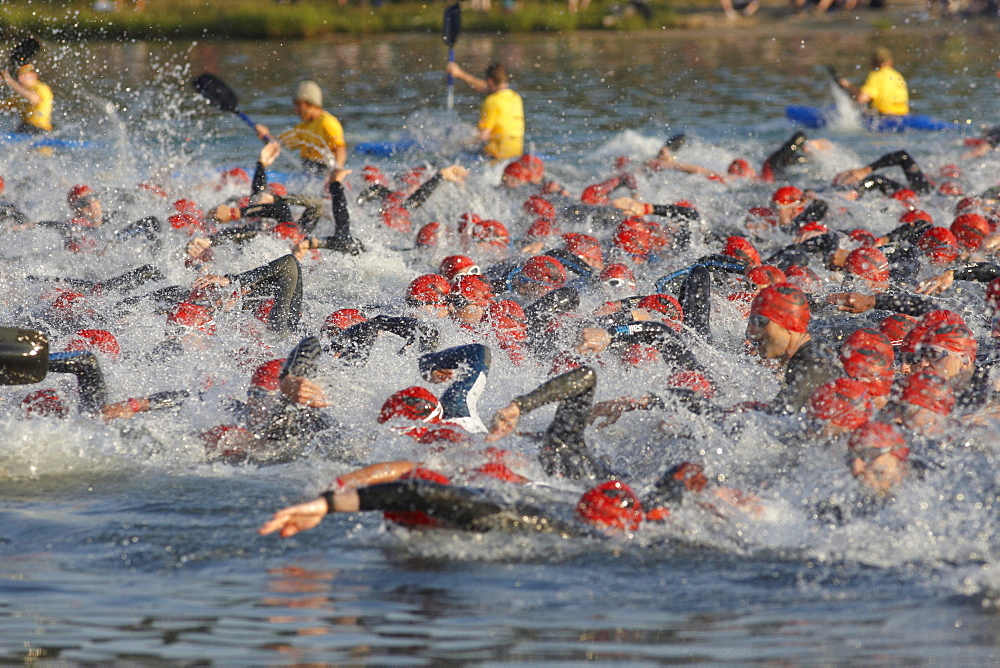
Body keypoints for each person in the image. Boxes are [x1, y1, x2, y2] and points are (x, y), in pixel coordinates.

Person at [255, 80, 346, 174]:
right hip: (309, 172)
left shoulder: (328, 122)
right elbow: (276, 144)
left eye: (298, 105)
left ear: (310, 103)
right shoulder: (303, 127)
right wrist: (265, 135)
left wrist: (336, 174)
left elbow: (340, 149)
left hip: (325, 172)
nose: (296, 110)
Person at [445, 61, 524, 162]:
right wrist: (460, 74)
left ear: (490, 81)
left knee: (457, 152)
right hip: (516, 153)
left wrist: (459, 144)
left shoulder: (491, 101)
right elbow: (486, 87)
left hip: (497, 155)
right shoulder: (515, 97)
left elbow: (483, 136)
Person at [836, 47, 909, 117]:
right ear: (890, 62)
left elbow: (861, 98)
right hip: (903, 114)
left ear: (873, 63)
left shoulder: (876, 75)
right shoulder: (898, 75)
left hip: (885, 116)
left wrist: (848, 86)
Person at [0, 63, 53, 134]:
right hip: (25, 127)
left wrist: (10, 81)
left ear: (34, 75)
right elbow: (4, 108)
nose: (20, 78)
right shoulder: (20, 94)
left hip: (40, 130)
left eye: (24, 75)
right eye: (19, 75)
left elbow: (33, 99)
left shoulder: (41, 88)